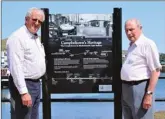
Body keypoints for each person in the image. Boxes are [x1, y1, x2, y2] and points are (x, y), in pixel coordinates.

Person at [6, 7, 46, 119]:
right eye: (34, 19)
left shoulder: (34, 37)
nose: (37, 23)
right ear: (26, 19)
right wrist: (23, 92)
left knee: (33, 117)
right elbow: (16, 67)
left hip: (36, 84)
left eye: (40, 21)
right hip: (25, 84)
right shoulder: (17, 38)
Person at [121, 18, 162, 119]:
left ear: (140, 28)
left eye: (131, 29)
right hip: (126, 89)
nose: (128, 33)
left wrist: (148, 94)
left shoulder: (147, 44)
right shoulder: (132, 46)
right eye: (126, 30)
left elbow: (155, 71)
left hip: (140, 88)